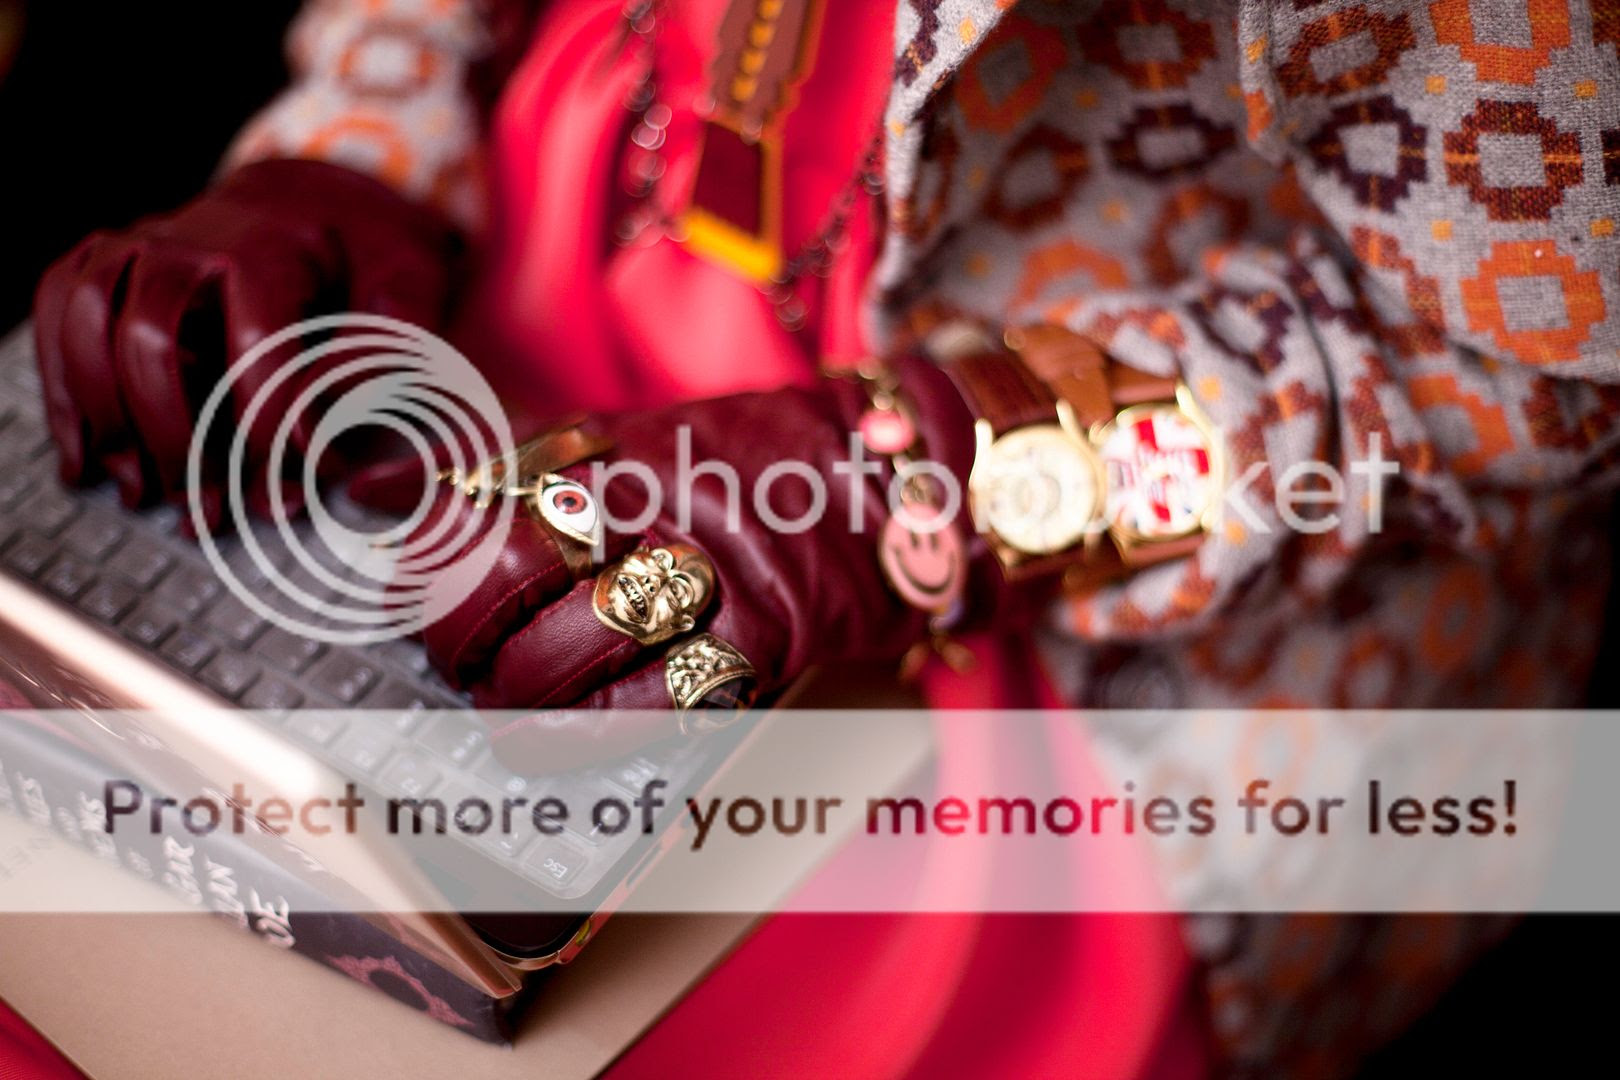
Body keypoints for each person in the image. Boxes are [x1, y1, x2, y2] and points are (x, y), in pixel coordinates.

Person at [31, 0, 1620, 1074]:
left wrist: (928, 481)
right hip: (508, 280)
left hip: (1120, 614)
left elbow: (1533, 371)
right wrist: (359, 141)